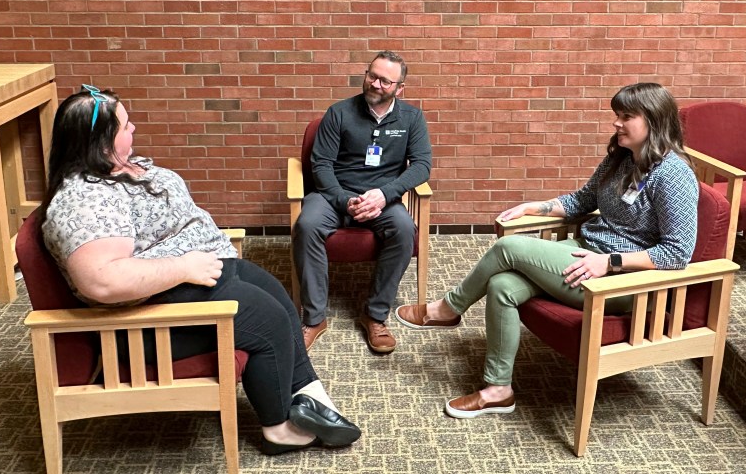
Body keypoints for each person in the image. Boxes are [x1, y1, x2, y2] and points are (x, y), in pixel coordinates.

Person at [38, 85, 361, 455]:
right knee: (268, 322)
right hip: (144, 322)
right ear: (101, 141)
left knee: (279, 300)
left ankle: (313, 400)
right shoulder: (82, 200)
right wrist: (183, 266)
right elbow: (102, 281)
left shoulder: (110, 170)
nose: (134, 130)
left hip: (191, 280)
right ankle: (279, 429)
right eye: (125, 126)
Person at [395, 82, 699, 418]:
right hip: (585, 251)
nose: (616, 123)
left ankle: (448, 309)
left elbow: (677, 253)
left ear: (653, 121)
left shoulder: (673, 175)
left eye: (626, 116)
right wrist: (534, 207)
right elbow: (582, 200)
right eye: (617, 115)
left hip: (623, 280)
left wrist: (610, 263)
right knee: (502, 286)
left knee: (508, 247)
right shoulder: (623, 159)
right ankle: (498, 390)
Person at [293, 51, 432, 353]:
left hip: (383, 199)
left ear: (400, 88)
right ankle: (315, 318)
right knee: (307, 224)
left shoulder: (411, 118)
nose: (376, 84)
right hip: (334, 194)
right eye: (372, 75)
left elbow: (422, 166)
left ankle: (375, 315)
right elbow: (321, 166)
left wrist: (384, 195)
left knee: (405, 229)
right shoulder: (339, 113)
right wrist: (345, 200)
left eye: (385, 80)